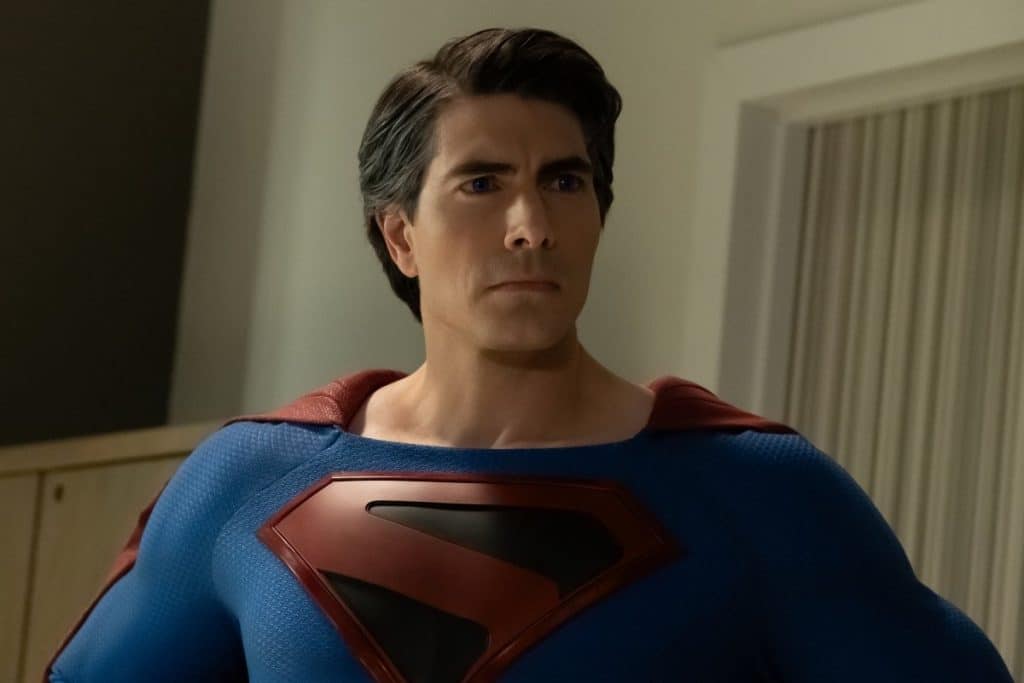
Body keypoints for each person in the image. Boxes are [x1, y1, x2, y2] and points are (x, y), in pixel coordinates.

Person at [46, 27, 1013, 683]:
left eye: (564, 182)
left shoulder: (759, 492)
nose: (530, 225)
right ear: (399, 236)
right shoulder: (247, 482)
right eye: (482, 183)